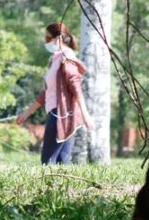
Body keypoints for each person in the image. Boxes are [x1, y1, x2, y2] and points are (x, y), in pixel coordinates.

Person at [15, 22, 92, 165]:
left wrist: (85, 115)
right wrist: (26, 114)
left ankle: (49, 187)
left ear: (59, 39)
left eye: (47, 38)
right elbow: (47, 93)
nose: (46, 42)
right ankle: (68, 187)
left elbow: (76, 87)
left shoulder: (66, 59)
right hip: (58, 112)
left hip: (62, 114)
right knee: (62, 160)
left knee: (48, 160)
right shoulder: (56, 59)